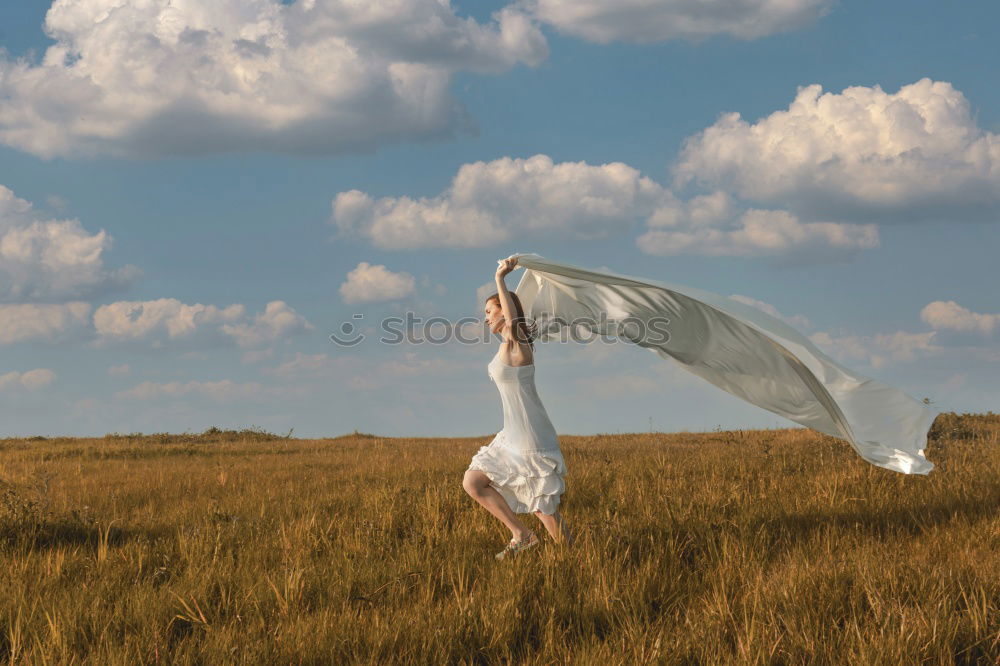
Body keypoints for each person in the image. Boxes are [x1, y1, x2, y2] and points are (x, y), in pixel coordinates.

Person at [463, 255, 572, 560]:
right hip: (512, 435)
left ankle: (572, 560)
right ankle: (521, 535)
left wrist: (500, 279)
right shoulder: (503, 348)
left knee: (542, 508)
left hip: (531, 437)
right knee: (473, 481)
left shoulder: (517, 343)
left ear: (504, 310)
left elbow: (513, 322)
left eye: (489, 311)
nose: (485, 318)